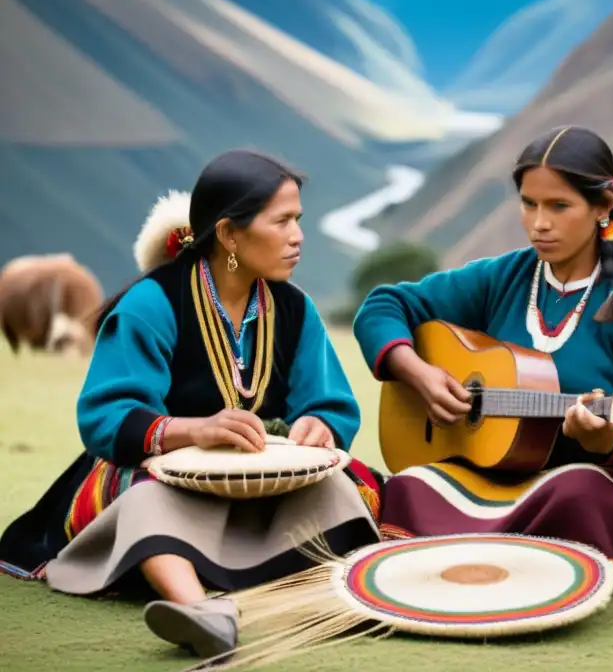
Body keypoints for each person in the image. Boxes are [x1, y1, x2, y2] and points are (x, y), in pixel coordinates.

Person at [0, 149, 383, 657]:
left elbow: (330, 401)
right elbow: (106, 416)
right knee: (143, 499)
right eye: (283, 221)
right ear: (228, 235)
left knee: (342, 484)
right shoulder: (152, 304)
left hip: (263, 479)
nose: (298, 236)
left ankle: (334, 586)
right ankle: (199, 609)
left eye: (300, 220)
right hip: (162, 477)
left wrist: (319, 424)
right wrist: (193, 431)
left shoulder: (294, 309)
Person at [353, 125, 613, 581]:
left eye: (558, 206)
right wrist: (416, 372)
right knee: (414, 484)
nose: (539, 222)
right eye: (528, 204)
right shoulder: (503, 277)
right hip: (492, 476)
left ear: (603, 207)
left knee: (579, 493)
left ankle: (474, 543)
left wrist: (604, 439)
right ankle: (509, 548)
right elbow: (383, 305)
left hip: (598, 480)